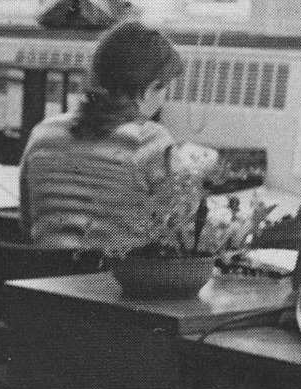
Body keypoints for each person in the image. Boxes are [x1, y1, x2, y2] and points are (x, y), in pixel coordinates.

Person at [19, 19, 187, 252]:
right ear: (151, 87)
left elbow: (27, 226)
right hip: (117, 284)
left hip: (44, 281)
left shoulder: (42, 134)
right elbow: (181, 236)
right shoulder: (152, 141)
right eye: (164, 87)